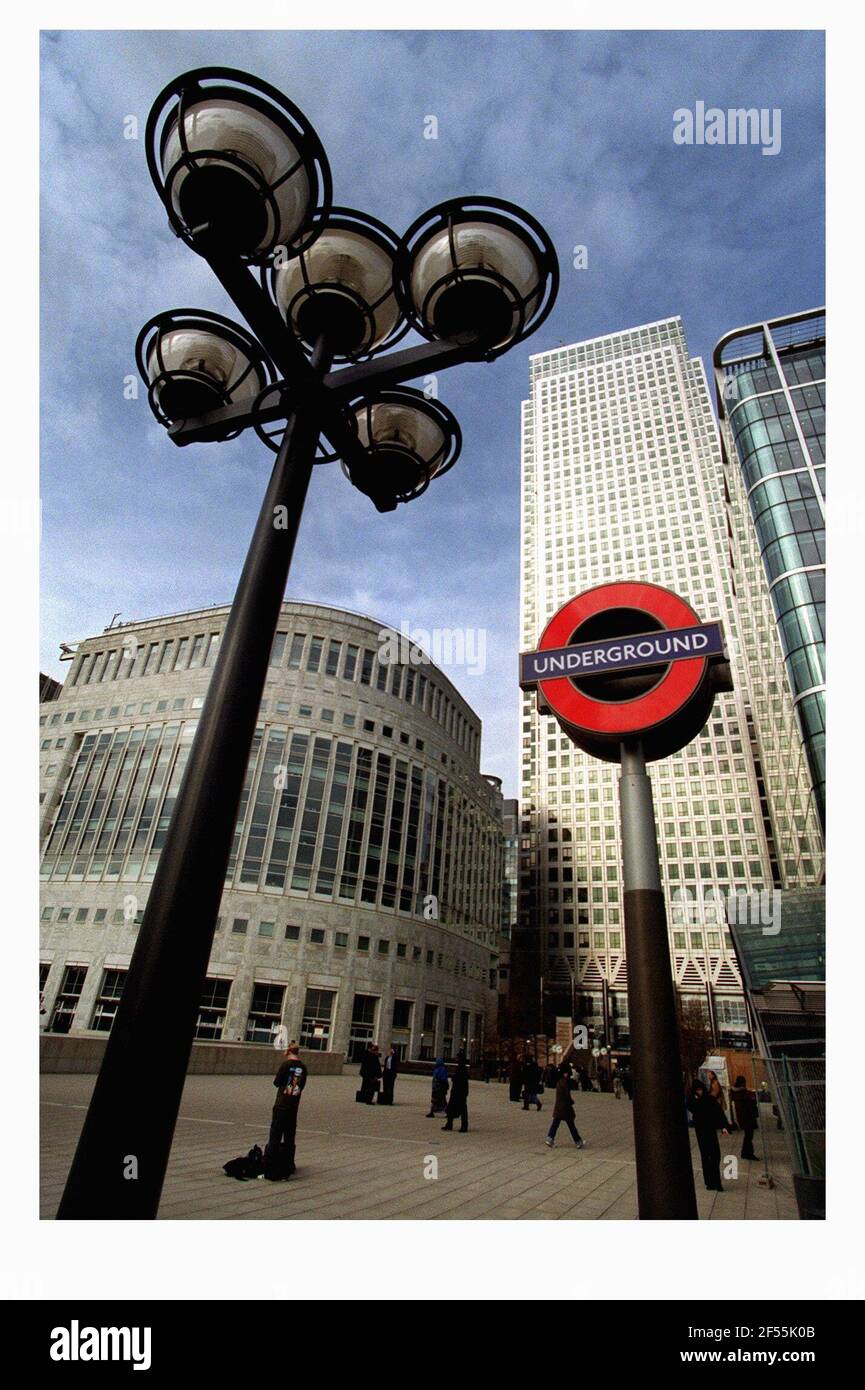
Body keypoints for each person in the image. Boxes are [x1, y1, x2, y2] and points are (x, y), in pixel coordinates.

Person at [265, 1043, 307, 1179]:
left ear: (288, 1051)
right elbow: (301, 1086)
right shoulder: (303, 1067)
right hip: (293, 1105)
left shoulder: (286, 1065)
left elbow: (277, 1082)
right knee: (290, 1135)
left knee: (275, 1134)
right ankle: (289, 1164)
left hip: (282, 1103)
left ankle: (270, 1164)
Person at [687, 1079, 728, 1191]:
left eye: (700, 1089)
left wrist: (724, 1126)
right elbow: (691, 1106)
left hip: (709, 1129)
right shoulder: (693, 1100)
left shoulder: (709, 1099)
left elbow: (718, 1112)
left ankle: (716, 1181)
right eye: (697, 1090)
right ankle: (710, 1182)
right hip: (701, 1130)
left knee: (715, 1155)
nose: (699, 1092)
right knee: (706, 1156)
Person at [545, 1063, 586, 1149]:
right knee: (571, 1125)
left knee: (555, 1123)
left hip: (559, 1107)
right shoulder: (564, 1082)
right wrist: (571, 1102)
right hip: (565, 1107)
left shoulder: (559, 1081)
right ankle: (578, 1141)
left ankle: (550, 1138)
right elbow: (567, 1095)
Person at [730, 1075, 760, 1161]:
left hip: (742, 1117)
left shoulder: (736, 1093)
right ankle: (748, 1153)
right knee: (748, 1136)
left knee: (748, 1136)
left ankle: (745, 1152)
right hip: (747, 1117)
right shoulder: (743, 1094)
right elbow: (750, 1104)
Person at [442, 1051, 469, 1132]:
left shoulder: (462, 1068)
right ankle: (449, 1124)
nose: (456, 1059)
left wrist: (454, 1078)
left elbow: (461, 1080)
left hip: (459, 1092)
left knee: (462, 1109)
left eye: (457, 1057)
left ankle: (463, 1126)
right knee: (452, 1108)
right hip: (458, 1091)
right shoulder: (461, 1068)